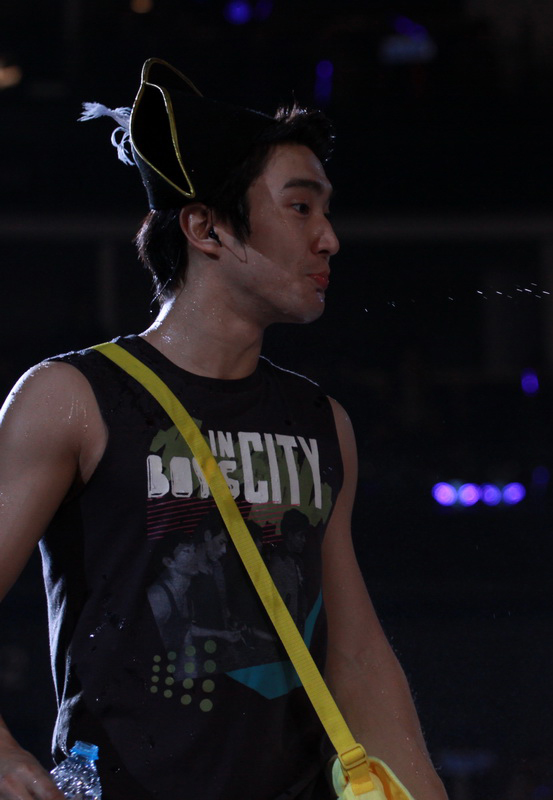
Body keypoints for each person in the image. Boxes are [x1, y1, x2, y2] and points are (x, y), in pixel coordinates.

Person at [0, 59, 447, 800]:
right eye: (299, 208)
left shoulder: (321, 421)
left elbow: (357, 656)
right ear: (206, 227)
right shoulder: (72, 398)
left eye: (326, 211)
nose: (329, 238)